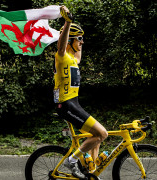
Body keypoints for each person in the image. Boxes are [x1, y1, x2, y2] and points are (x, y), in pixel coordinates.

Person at [53, 5, 108, 179]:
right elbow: (62, 44)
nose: (82, 42)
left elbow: (77, 50)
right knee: (102, 134)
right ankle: (72, 160)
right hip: (66, 103)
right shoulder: (61, 57)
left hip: (73, 103)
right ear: (69, 41)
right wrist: (68, 23)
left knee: (96, 137)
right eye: (79, 39)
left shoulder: (74, 59)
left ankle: (90, 174)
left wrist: (79, 33)